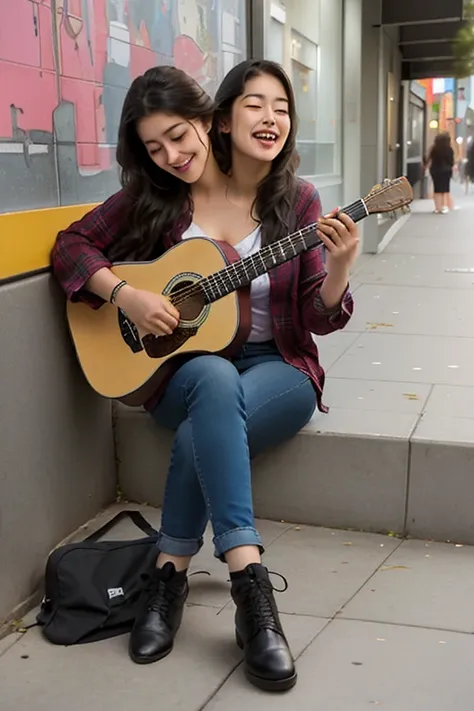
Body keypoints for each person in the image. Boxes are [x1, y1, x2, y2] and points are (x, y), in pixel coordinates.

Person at [51, 61, 358, 691]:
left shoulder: (297, 202)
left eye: (179, 138)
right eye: (154, 148)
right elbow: (71, 247)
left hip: (281, 370)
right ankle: (254, 597)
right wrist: (125, 296)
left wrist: (340, 270)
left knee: (211, 409)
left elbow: (318, 320)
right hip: (179, 374)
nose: (170, 156)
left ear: (207, 122)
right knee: (212, 380)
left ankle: (168, 577)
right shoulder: (158, 199)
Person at [425, 132, 454, 213]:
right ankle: (445, 206)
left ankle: (437, 208)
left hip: (435, 171)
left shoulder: (434, 149)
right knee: (445, 189)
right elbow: (451, 162)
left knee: (437, 189)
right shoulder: (449, 149)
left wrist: (425, 167)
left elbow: (428, 159)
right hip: (446, 171)